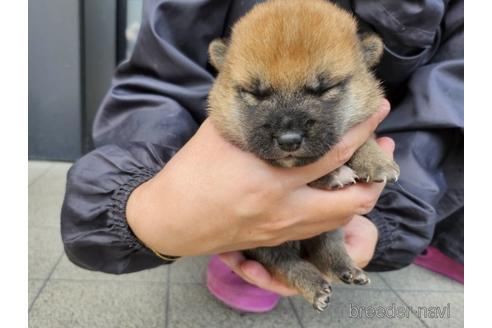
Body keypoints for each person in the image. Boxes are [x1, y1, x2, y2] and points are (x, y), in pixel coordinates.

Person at [61, 0, 463, 313]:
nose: (288, 132)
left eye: (323, 91)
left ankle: (330, 260)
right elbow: (158, 76)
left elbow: (456, 86)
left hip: (370, 197)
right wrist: (147, 206)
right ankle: (270, 255)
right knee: (273, 250)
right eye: (255, 95)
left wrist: (386, 215)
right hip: (210, 193)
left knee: (330, 235)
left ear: (366, 60)